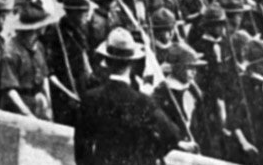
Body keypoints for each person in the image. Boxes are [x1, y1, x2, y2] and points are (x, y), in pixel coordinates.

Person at [74, 28, 183, 165]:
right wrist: (148, 155)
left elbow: (81, 150)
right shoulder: (144, 103)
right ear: (132, 63)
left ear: (106, 62)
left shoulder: (90, 98)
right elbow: (172, 135)